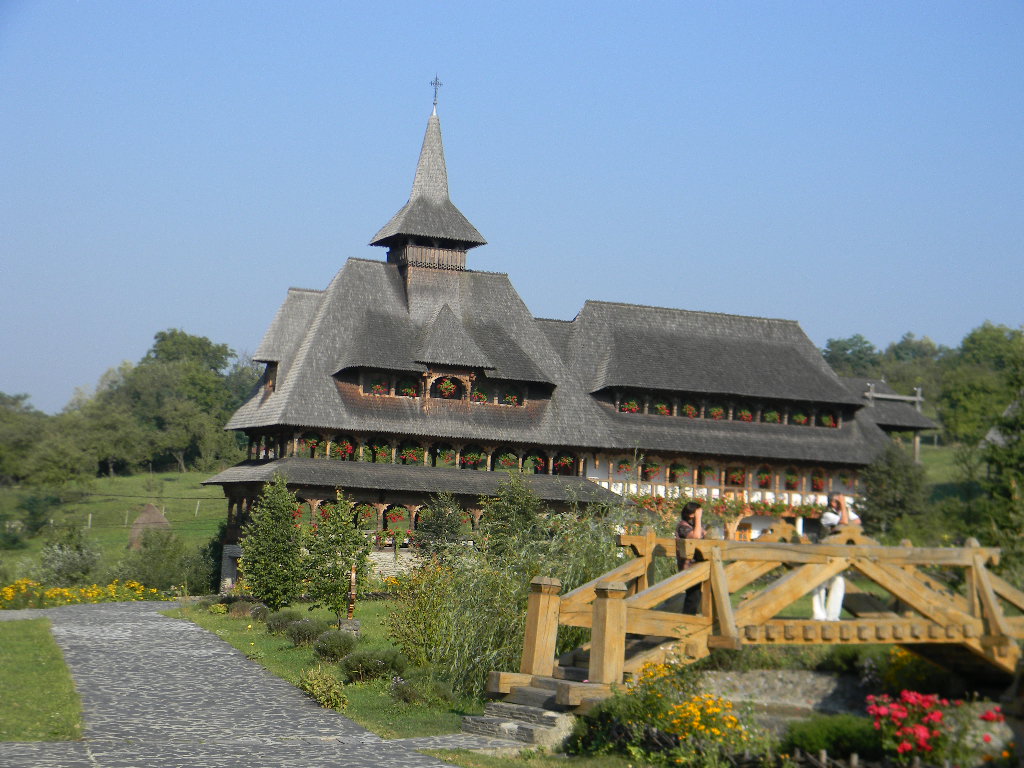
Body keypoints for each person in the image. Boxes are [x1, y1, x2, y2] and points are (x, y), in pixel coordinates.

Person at [811, 494, 861, 621]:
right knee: (819, 583)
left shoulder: (842, 512)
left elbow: (857, 522)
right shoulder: (827, 515)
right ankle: (818, 614)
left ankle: (832, 616)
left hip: (836, 554)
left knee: (838, 583)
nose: (839, 504)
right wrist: (843, 507)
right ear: (831, 503)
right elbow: (844, 523)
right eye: (837, 501)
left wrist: (844, 509)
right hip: (822, 553)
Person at [675, 501, 706, 615]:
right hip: (688, 568)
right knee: (692, 599)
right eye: (697, 512)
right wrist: (698, 519)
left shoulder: (693, 526)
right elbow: (696, 537)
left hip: (700, 567)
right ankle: (686, 625)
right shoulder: (682, 526)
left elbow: (705, 535)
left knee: (697, 598)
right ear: (691, 514)